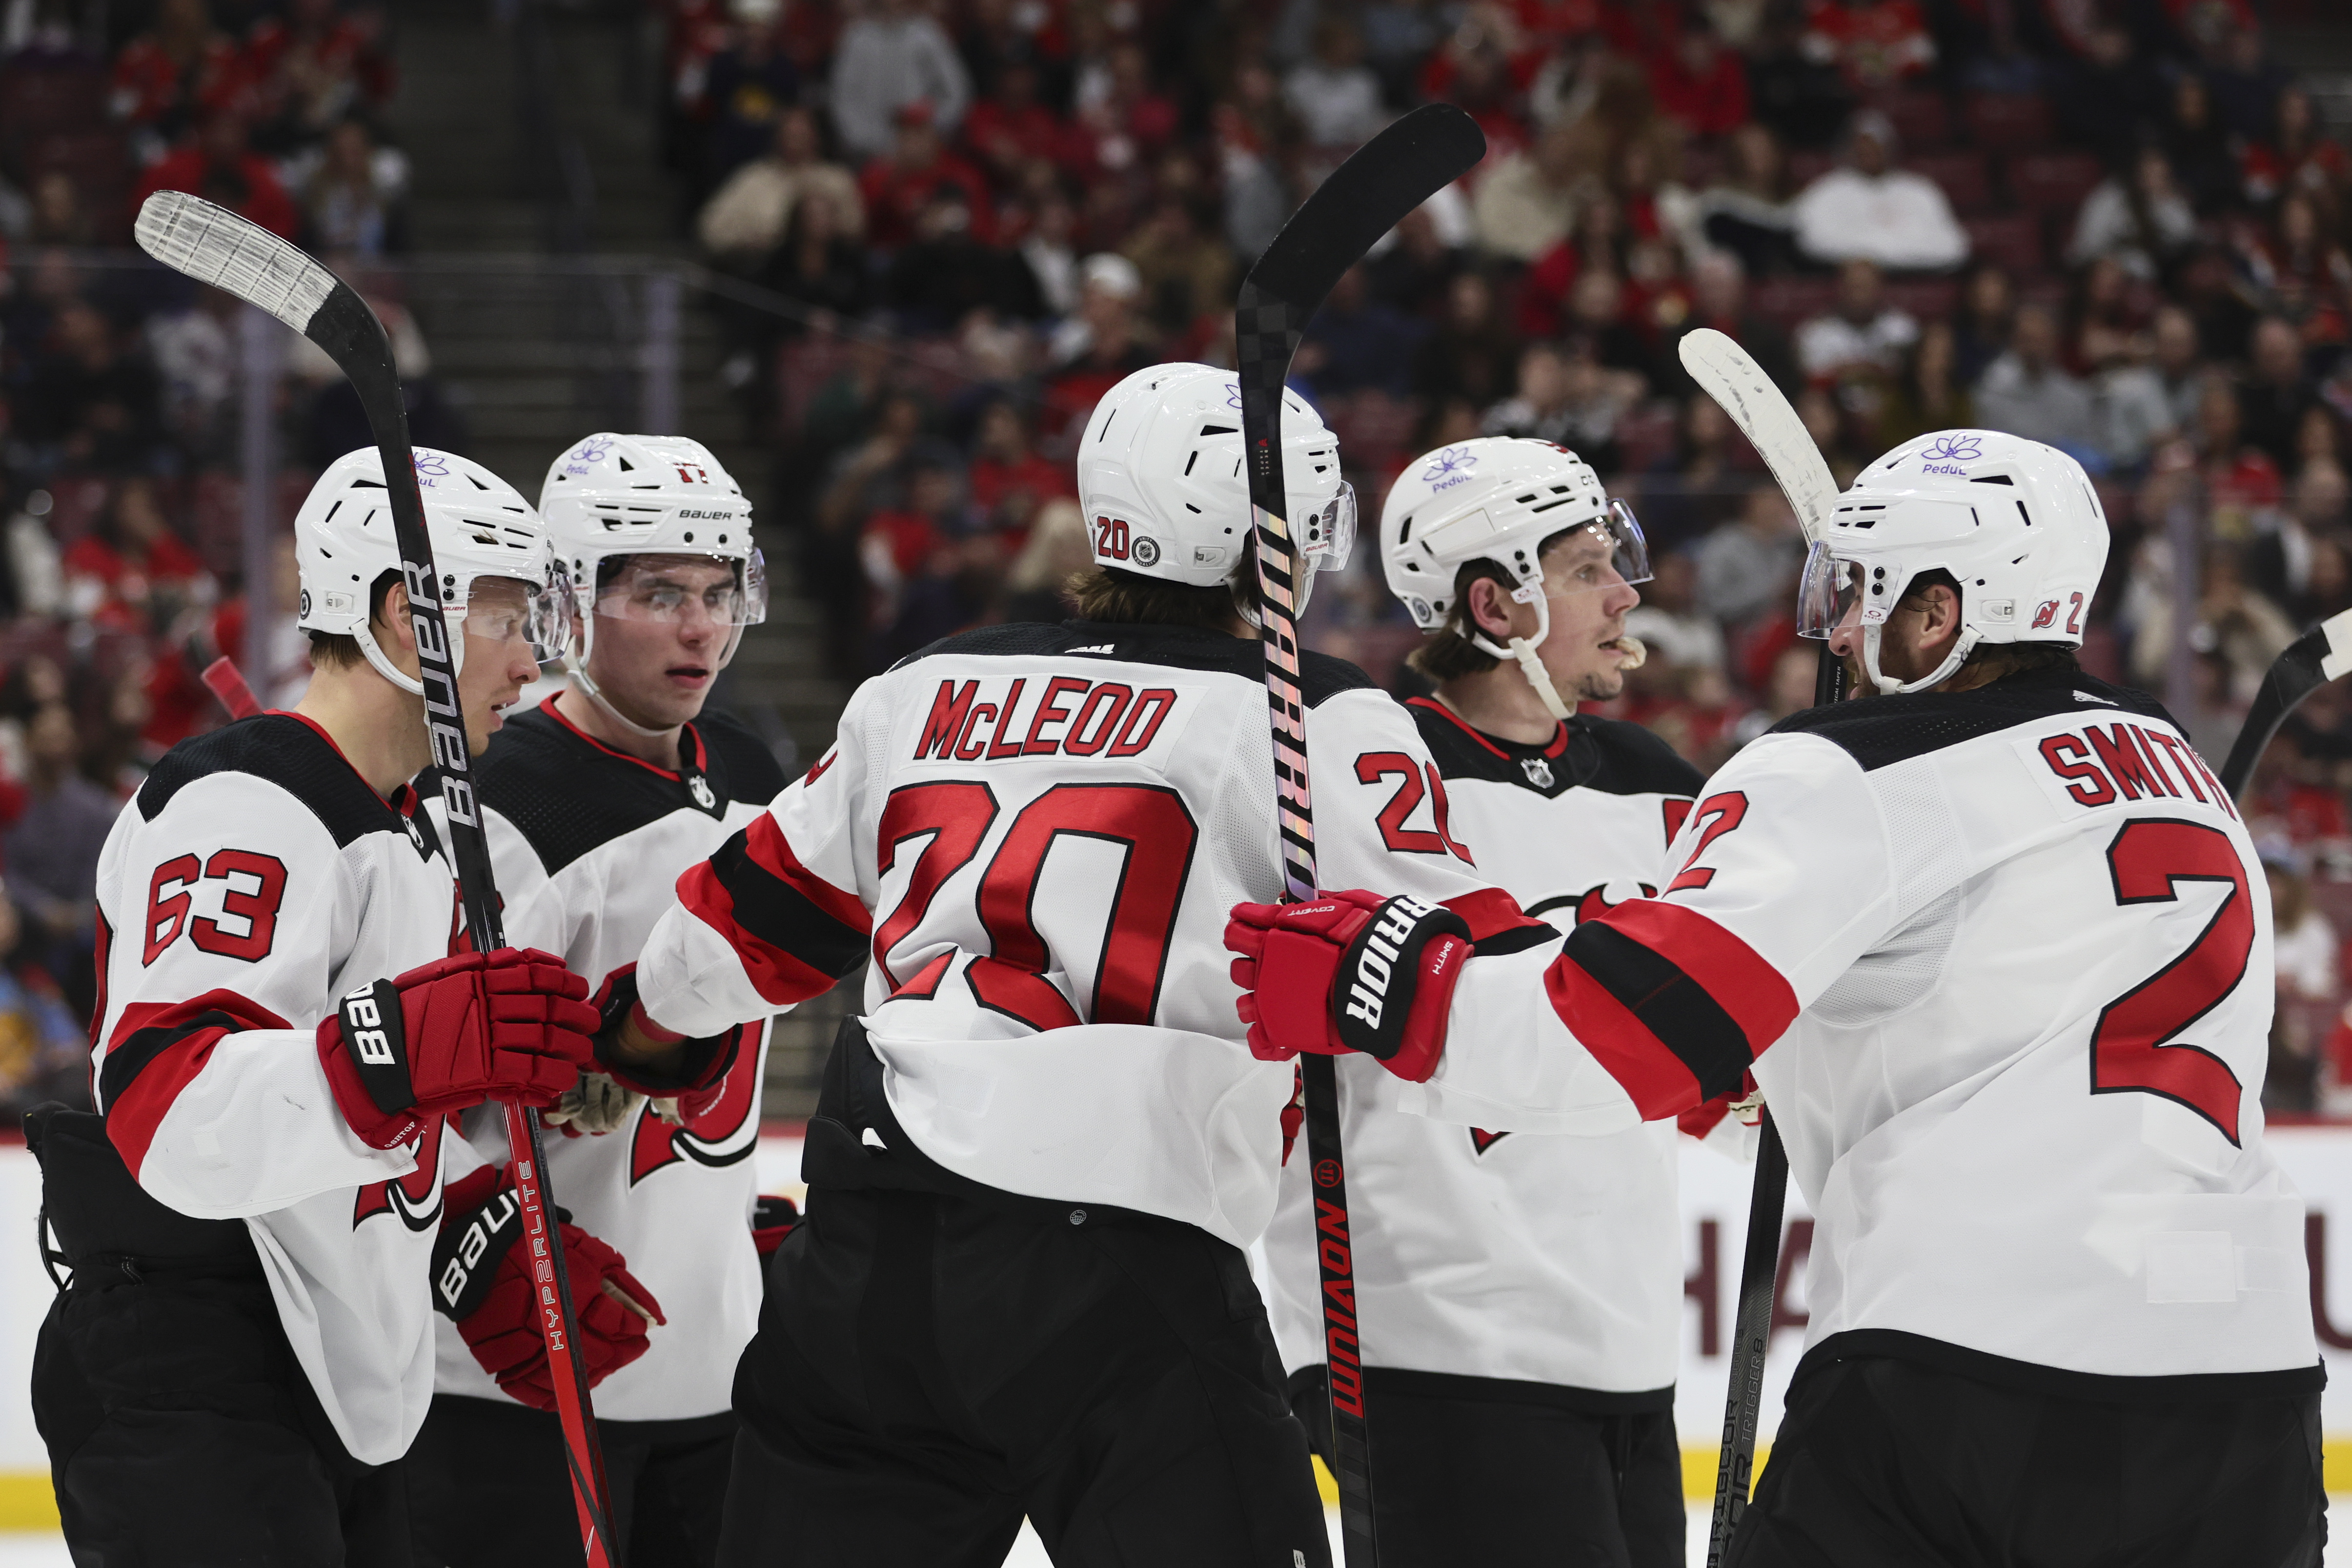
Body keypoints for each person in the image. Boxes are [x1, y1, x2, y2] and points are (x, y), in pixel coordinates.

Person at [1229, 428, 2325, 1567]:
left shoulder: (1851, 769)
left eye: (1864, 595)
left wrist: (1379, 981)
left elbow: (1613, 1035)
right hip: (2249, 1389)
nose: (1837, 632)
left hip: (1970, 1369)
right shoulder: (2176, 768)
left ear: (1938, 613)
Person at [611, 363, 1545, 1566]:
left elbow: (730, 931)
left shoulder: (922, 683)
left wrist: (629, 1039)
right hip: (1125, 1264)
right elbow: (1487, 971)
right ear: (1272, 539)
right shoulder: (1308, 714)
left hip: (868, 1250)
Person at [28, 448, 617, 1564]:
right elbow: (170, 1106)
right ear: (405, 616)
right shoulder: (243, 801)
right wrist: (397, 1056)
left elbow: (365, 1123)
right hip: (190, 1356)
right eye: (505, 618)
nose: (530, 660)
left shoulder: (417, 830)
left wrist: (470, 1234)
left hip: (325, 1366)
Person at [1264, 437, 1718, 1567]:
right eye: (1585, 571)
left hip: (1620, 1344)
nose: (1625, 596)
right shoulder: (1361, 763)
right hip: (1436, 1341)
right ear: (1492, 603)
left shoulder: (1657, 781)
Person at [406, 436, 788, 1568]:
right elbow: (399, 1080)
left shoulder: (754, 770)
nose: (701, 629)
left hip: (718, 1373)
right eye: (661, 594)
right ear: (569, 603)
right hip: (515, 1386)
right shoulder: (497, 801)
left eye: (720, 593)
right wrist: (470, 1236)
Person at [1790, 109, 1966, 273]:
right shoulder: (1825, 190)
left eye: (1877, 144)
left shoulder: (1921, 190)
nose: (1870, 151)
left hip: (1914, 279)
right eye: (1863, 144)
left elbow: (1954, 248)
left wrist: (1881, 255)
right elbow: (1811, 242)